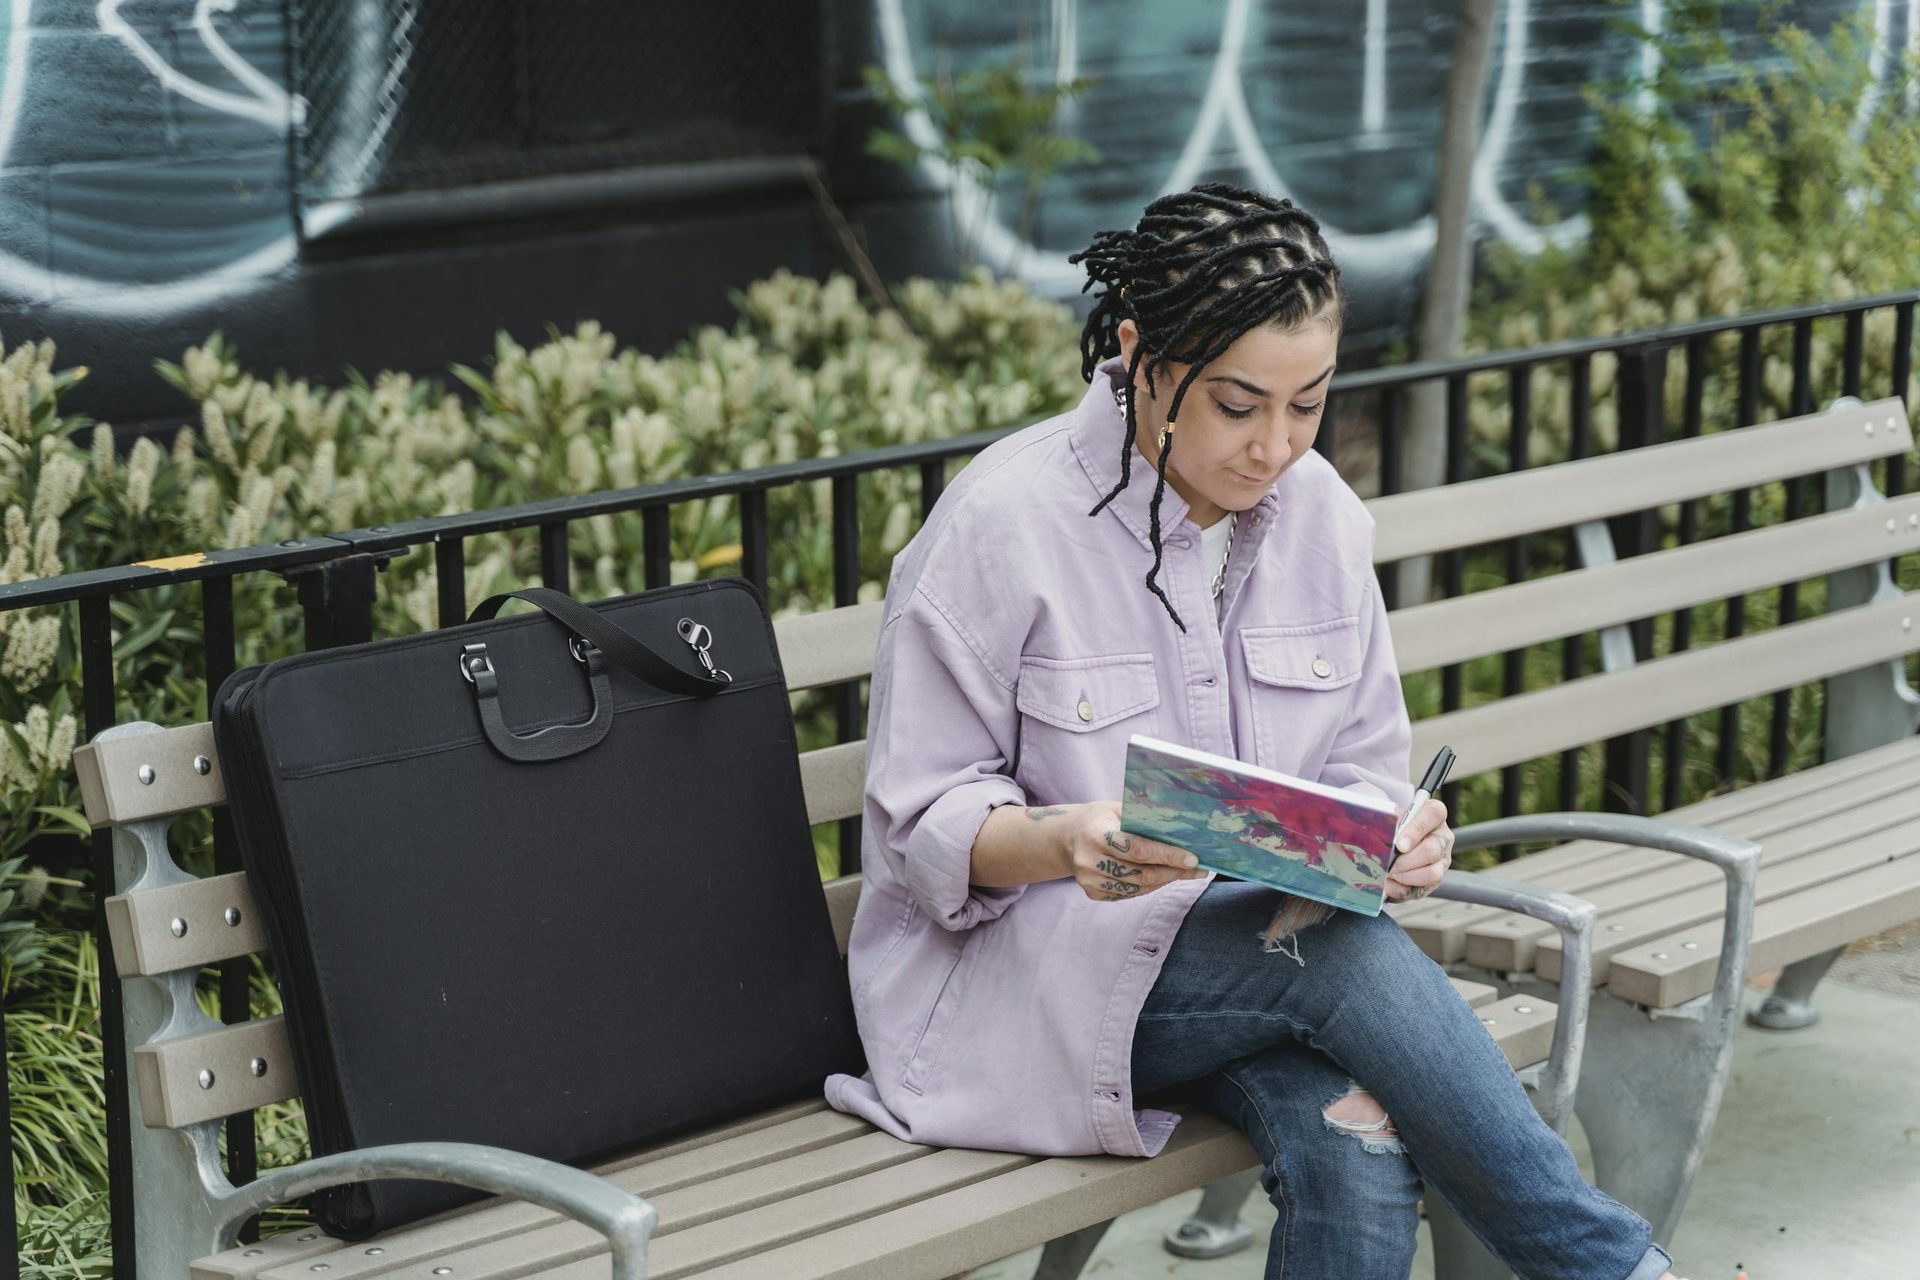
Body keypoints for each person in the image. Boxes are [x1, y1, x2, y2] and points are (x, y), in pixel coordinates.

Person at [822, 181, 1686, 1280]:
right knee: (1329, 949)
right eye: (1238, 405)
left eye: (1308, 404)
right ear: (1142, 356)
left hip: (1247, 975)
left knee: (1358, 1141)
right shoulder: (1000, 525)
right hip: (1034, 986)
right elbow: (919, 826)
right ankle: (1611, 1265)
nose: (1275, 446)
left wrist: (1401, 834)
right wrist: (1062, 838)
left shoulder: (1323, 519)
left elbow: (1361, 767)